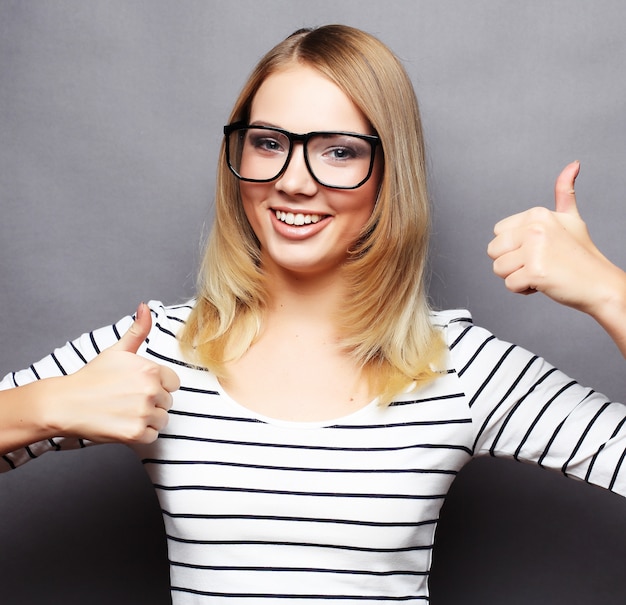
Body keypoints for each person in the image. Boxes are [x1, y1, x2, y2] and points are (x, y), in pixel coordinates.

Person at [1, 24, 625, 603]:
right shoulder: (156, 347)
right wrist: (46, 405)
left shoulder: (458, 368)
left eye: (339, 152)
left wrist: (608, 292)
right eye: (268, 143)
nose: (294, 182)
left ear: (389, 173)